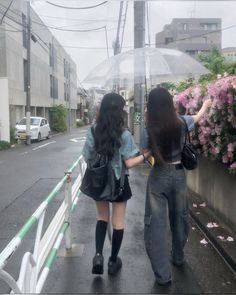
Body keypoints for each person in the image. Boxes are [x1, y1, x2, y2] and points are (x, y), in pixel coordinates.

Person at [141, 87, 211, 285]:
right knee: (180, 217)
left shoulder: (149, 126)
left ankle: (163, 275)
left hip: (158, 176)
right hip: (179, 176)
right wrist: (205, 105)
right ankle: (178, 256)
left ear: (151, 106)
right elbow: (197, 118)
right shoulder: (181, 121)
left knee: (156, 224)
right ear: (170, 103)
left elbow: (144, 151)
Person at [82, 93, 150, 276]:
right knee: (118, 221)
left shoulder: (93, 130)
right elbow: (129, 163)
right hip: (119, 181)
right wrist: (145, 155)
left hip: (99, 181)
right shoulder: (125, 134)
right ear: (119, 111)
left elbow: (87, 156)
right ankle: (113, 261)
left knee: (101, 217)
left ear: (102, 109)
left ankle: (98, 256)